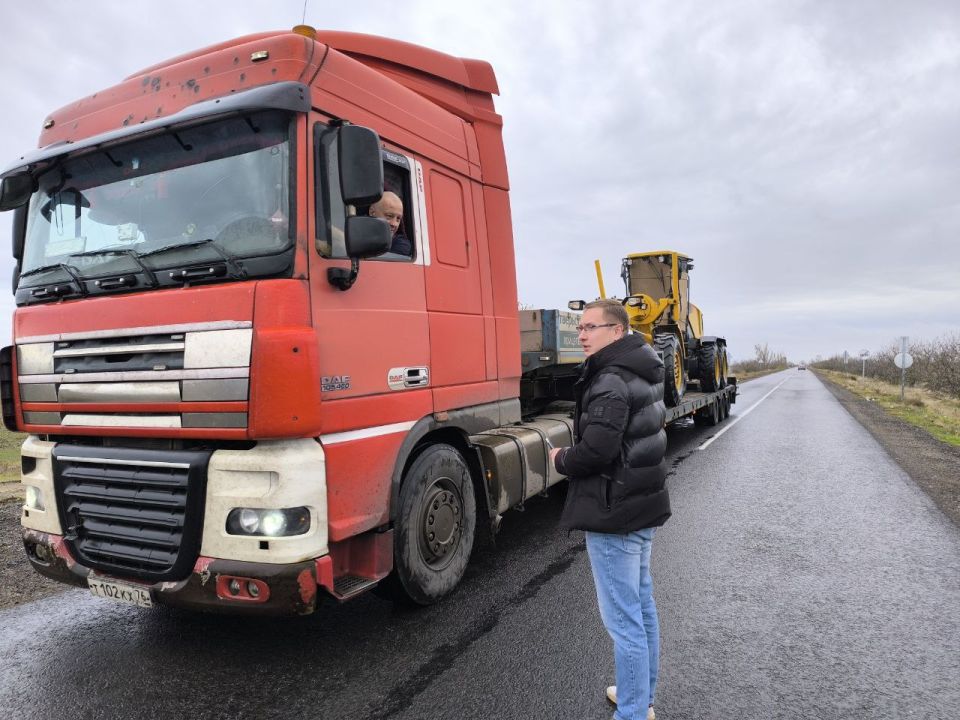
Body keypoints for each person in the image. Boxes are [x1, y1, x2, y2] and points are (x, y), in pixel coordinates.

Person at [549, 299, 669, 720]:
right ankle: (641, 696)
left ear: (617, 331)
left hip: (613, 509)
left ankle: (634, 712)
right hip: (639, 505)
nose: (581, 334)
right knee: (641, 605)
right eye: (580, 327)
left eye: (591, 327)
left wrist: (562, 459)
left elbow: (596, 450)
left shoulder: (610, 379)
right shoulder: (643, 369)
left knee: (624, 620)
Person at [368, 190, 411, 256]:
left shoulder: (400, 245)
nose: (394, 224)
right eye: (389, 216)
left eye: (398, 219)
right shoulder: (354, 233)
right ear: (372, 213)